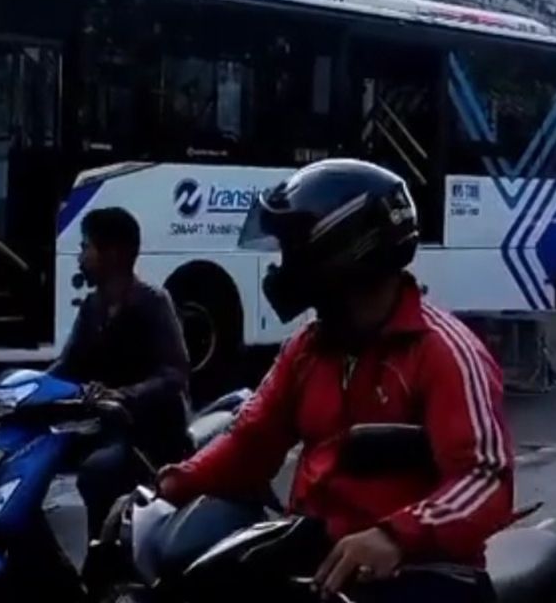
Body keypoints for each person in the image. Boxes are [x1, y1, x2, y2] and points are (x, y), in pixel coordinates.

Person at [155, 159, 513, 603]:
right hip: (323, 554)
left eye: (293, 252)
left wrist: (395, 536)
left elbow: (484, 480)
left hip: (424, 566)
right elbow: (253, 441)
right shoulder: (308, 348)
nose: (282, 269)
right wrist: (167, 487)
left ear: (343, 252)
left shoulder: (443, 352)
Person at [49, 206, 192, 540]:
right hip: (107, 427)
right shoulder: (92, 308)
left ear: (113, 253)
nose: (80, 257)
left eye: (86, 247)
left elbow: (174, 375)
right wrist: (19, 386)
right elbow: (67, 365)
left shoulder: (154, 303)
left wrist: (123, 395)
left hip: (149, 435)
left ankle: (102, 557)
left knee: (96, 473)